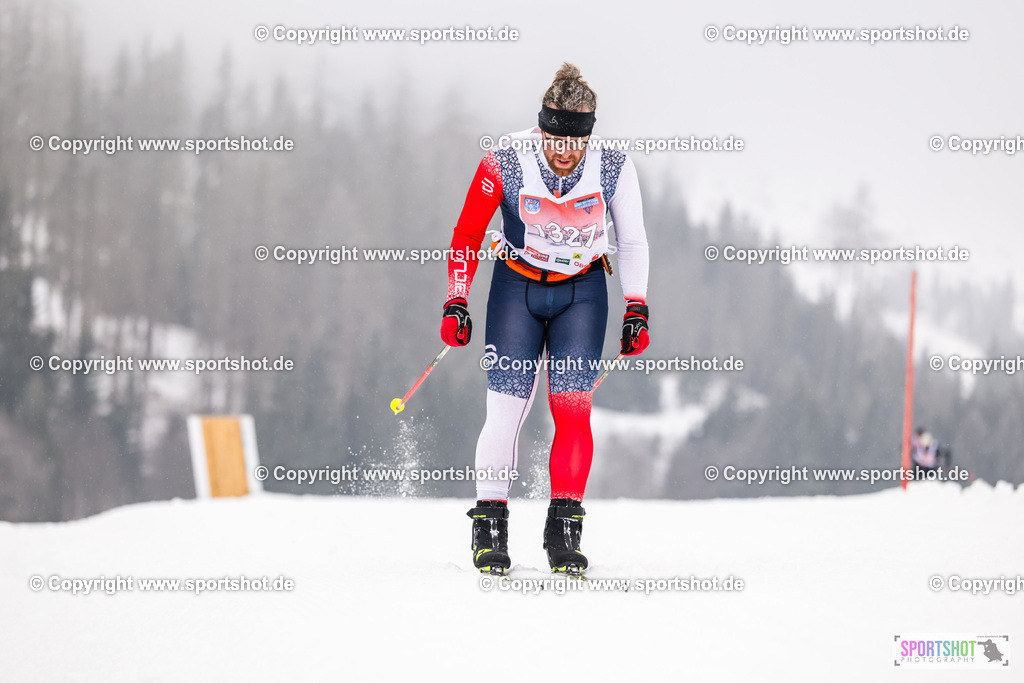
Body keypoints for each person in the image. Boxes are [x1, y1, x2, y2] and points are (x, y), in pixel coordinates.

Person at [440, 63, 651, 575]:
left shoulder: (612, 165)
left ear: (589, 135)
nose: (563, 153)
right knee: (505, 410)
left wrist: (636, 306)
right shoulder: (507, 158)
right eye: (554, 140)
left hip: (582, 292)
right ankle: (489, 527)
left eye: (574, 143)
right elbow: (468, 234)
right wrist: (456, 299)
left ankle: (564, 532)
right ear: (541, 128)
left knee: (573, 410)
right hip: (516, 289)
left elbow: (635, 241)